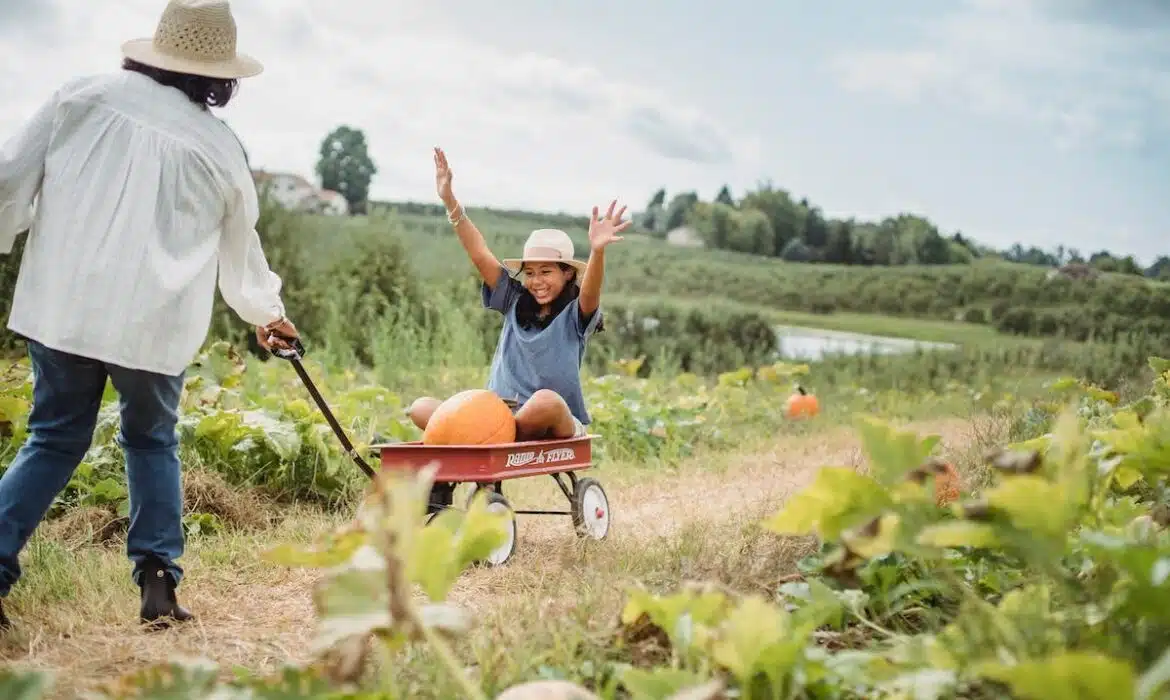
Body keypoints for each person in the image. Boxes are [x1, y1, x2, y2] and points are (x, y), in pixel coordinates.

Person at [0, 0, 298, 632]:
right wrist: (266, 314)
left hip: (65, 307)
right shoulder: (219, 146)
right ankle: (158, 582)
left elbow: (7, 182)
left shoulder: (78, 98)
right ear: (221, 76)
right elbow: (242, 252)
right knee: (151, 441)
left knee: (53, 438)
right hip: (153, 325)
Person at [408, 147, 629, 455]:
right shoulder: (514, 301)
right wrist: (450, 201)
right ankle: (494, 434)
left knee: (546, 401)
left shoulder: (576, 315)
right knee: (421, 408)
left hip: (551, 421)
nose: (536, 281)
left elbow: (591, 290)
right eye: (530, 272)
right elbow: (480, 254)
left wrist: (598, 251)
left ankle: (495, 437)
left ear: (567, 274)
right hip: (499, 414)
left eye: (546, 272)